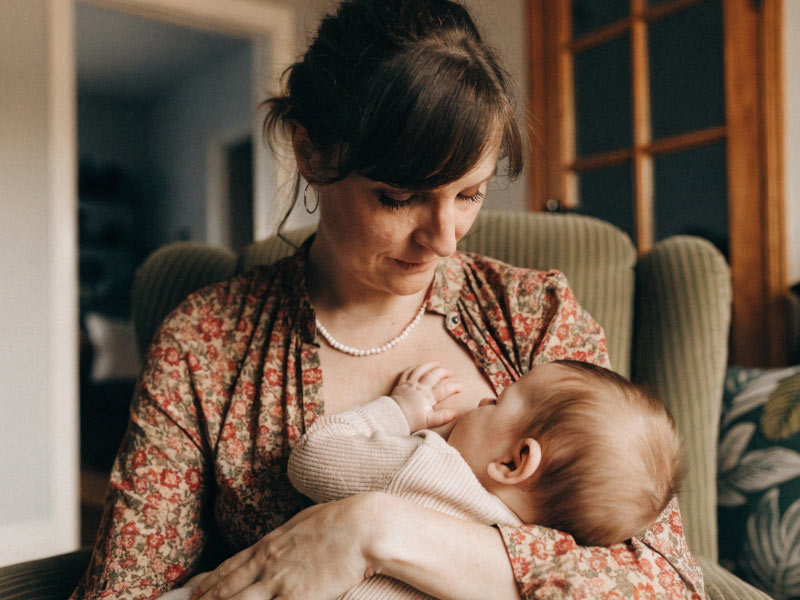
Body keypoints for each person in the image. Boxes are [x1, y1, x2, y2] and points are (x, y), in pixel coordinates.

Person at [71, 1, 706, 598]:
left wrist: (371, 530)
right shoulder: (208, 342)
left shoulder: (533, 318)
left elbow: (666, 579)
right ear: (310, 151)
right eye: (399, 197)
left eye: (470, 194)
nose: (444, 240)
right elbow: (126, 589)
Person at [159, 359, 683, 600]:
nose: (482, 399)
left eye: (499, 402)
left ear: (514, 462)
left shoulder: (429, 469)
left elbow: (313, 458)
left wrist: (399, 411)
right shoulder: (528, 559)